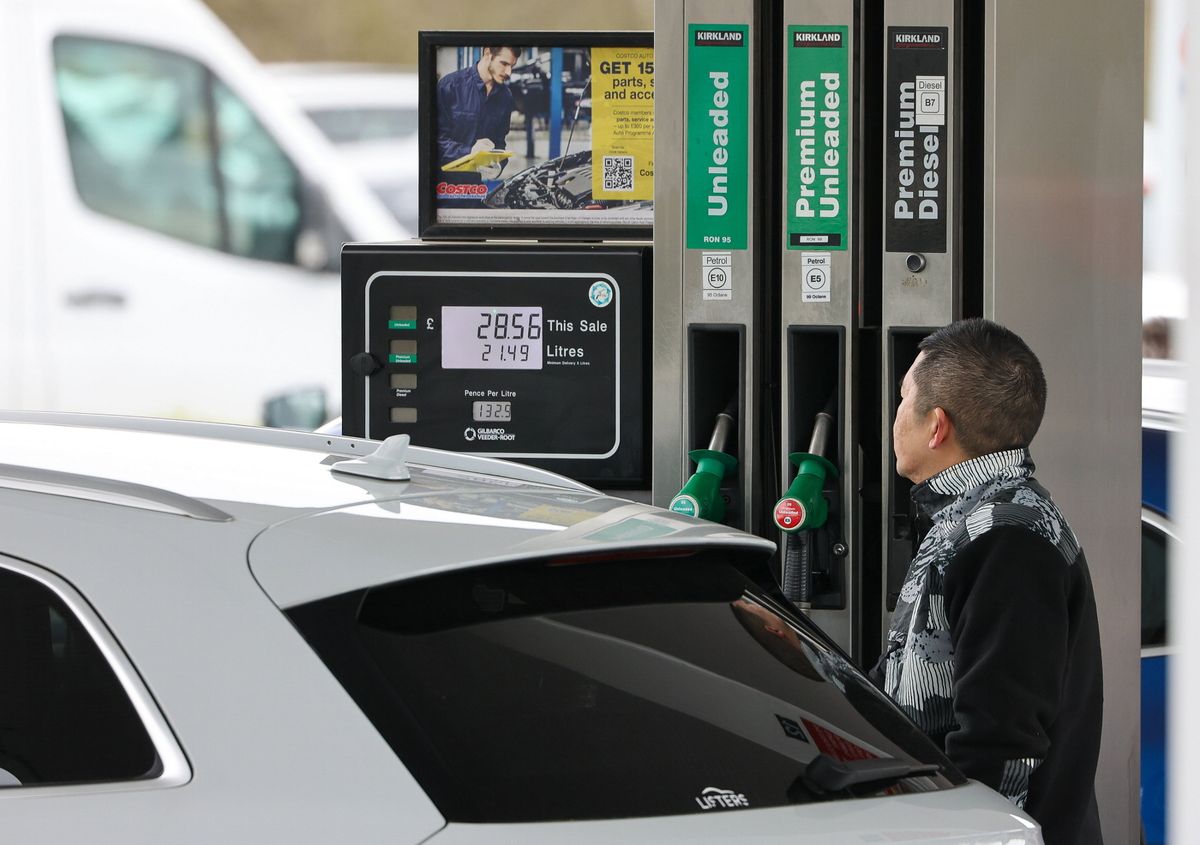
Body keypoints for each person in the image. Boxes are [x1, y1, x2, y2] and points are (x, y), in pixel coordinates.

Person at [872, 318, 1103, 844]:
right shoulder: (973, 518)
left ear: (936, 426)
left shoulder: (1005, 537)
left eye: (903, 399)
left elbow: (999, 745)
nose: (894, 417)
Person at [436, 46, 521, 169]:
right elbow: (434, 140)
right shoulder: (450, 86)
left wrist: (497, 163)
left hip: (476, 180)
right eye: (504, 64)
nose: (509, 72)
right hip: (444, 181)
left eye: (511, 66)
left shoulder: (505, 96)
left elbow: (499, 141)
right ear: (487, 53)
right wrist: (469, 151)